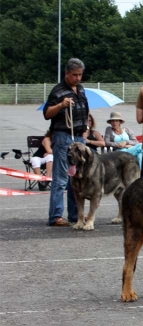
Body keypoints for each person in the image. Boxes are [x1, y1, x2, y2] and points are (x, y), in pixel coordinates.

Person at [42, 58, 89, 227]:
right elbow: (47, 113)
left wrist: (85, 129)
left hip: (78, 137)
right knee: (61, 178)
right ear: (67, 74)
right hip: (63, 136)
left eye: (80, 75)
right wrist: (61, 105)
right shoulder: (58, 91)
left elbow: (85, 110)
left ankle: (75, 214)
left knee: (76, 177)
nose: (78, 78)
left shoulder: (81, 89)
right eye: (75, 75)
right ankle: (55, 216)